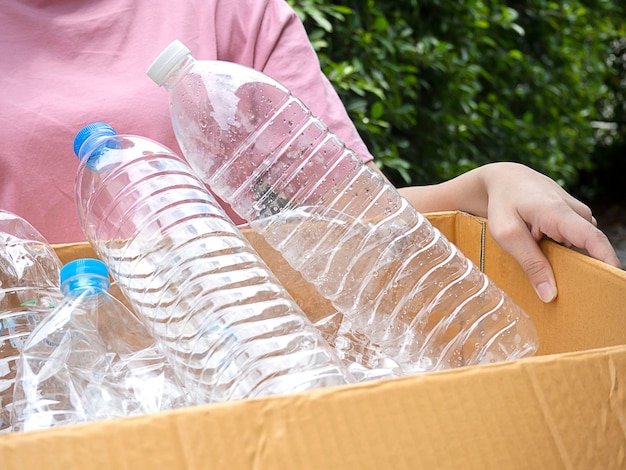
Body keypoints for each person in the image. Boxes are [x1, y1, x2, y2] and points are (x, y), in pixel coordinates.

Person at [0, 0, 621, 305]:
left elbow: (355, 219)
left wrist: (487, 186)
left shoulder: (232, 8)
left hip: (253, 367)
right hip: (43, 389)